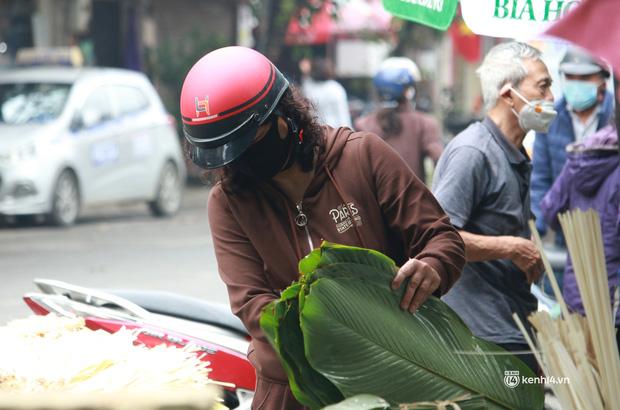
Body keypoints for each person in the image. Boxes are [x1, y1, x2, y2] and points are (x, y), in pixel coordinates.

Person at [180, 46, 465, 410]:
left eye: (243, 145)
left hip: (394, 373)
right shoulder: (228, 201)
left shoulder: (363, 156)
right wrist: (327, 330)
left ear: (283, 119)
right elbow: (252, 303)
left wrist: (433, 266)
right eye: (222, 153)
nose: (235, 163)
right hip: (294, 389)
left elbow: (442, 238)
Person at [432, 42, 554, 374]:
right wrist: (511, 247)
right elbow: (437, 238)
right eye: (543, 86)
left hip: (513, 325)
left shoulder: (515, 154)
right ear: (508, 94)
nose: (551, 98)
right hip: (480, 335)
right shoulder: (473, 152)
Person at [540, 125, 620, 348]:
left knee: (588, 376)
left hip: (578, 294)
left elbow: (549, 210)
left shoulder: (583, 153)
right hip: (612, 304)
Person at [531, 46, 614, 243]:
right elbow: (540, 180)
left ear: (603, 81)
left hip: (611, 231)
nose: (576, 84)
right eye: (570, 77)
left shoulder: (614, 116)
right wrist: (536, 230)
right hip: (566, 230)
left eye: (585, 78)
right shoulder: (549, 119)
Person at [355, 57, 443, 182]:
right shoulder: (425, 123)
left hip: (373, 199)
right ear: (409, 91)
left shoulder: (363, 124)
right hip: (412, 199)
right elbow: (439, 160)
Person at [300, 57, 352, 128]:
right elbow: (343, 116)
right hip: (335, 131)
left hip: (315, 130)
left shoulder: (309, 88)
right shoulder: (335, 88)